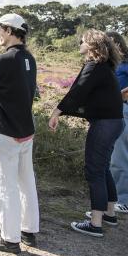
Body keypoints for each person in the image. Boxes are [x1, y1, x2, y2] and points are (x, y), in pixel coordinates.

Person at [49, 30, 125, 237]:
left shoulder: (94, 66)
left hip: (104, 125)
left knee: (94, 171)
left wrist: (57, 111)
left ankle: (95, 223)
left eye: (82, 41)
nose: (79, 44)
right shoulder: (105, 67)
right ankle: (109, 213)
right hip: (114, 123)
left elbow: (78, 91)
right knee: (103, 168)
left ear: (91, 45)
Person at [0, 13, 39, 254]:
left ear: (11, 31)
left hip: (3, 130)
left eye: (0, 29)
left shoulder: (4, 59)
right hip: (24, 129)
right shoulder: (29, 59)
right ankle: (28, 230)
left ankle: (9, 239)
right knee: (26, 182)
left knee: (4, 185)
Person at [107, 31, 128, 214]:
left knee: (119, 157)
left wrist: (121, 94)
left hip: (123, 109)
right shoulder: (112, 65)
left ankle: (123, 200)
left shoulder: (125, 65)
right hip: (113, 110)